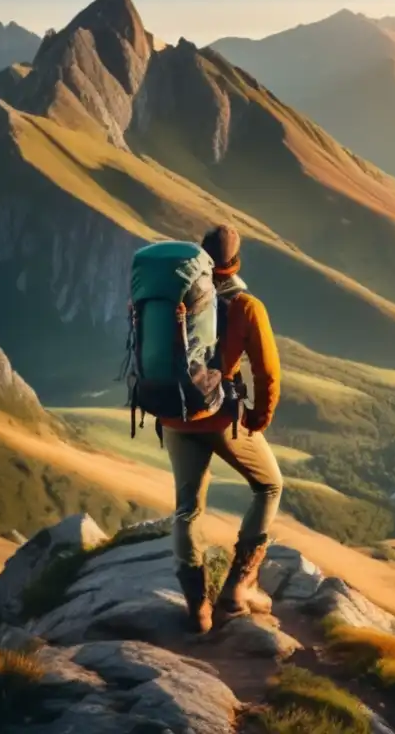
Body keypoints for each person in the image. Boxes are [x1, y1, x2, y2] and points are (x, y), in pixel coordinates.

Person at [159, 224, 283, 634]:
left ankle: (197, 608)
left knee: (187, 509)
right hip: (221, 417)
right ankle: (235, 589)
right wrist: (258, 419)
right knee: (269, 486)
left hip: (174, 415)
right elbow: (267, 373)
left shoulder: (173, 297)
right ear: (236, 263)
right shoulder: (247, 306)